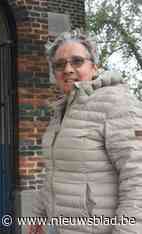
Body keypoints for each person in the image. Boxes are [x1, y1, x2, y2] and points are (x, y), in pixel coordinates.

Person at [30, 29, 142, 234]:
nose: (68, 69)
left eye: (77, 61)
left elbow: (137, 176)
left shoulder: (117, 103)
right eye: (59, 64)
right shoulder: (61, 111)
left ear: (94, 66)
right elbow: (54, 173)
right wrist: (38, 217)